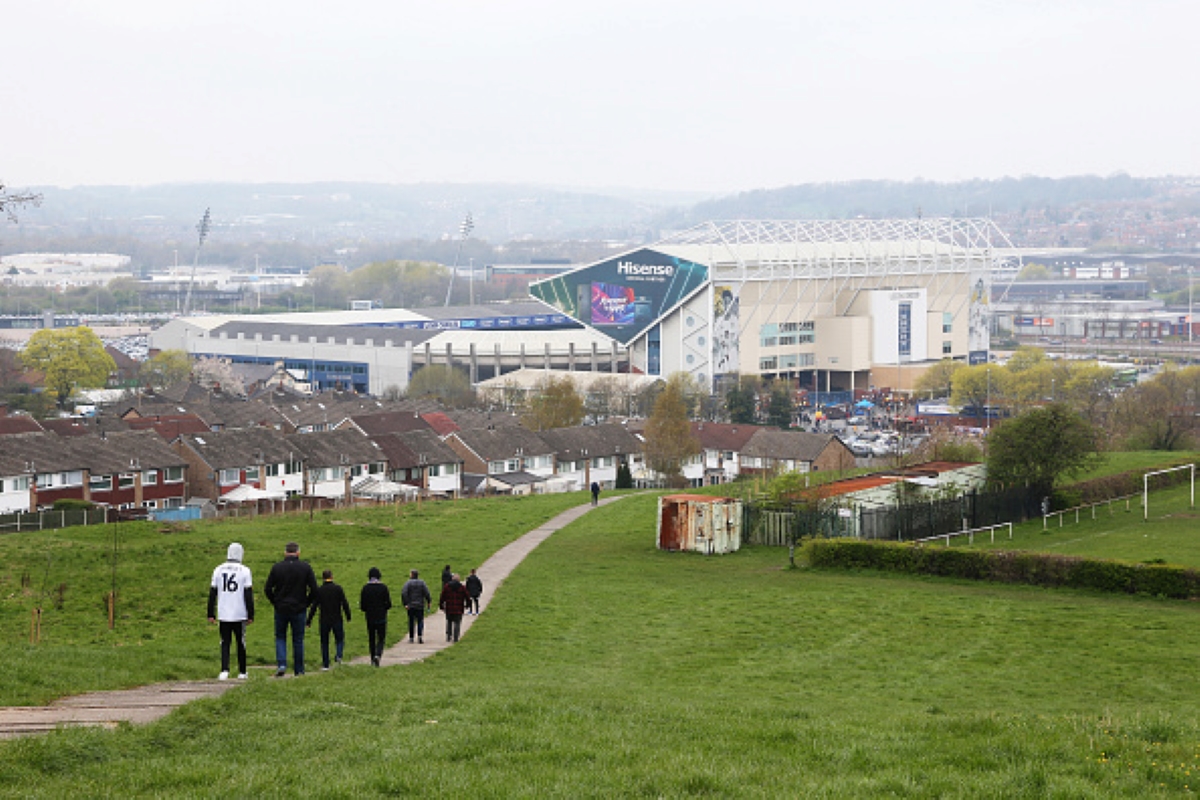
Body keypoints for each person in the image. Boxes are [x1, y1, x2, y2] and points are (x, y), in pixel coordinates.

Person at [264, 541, 319, 677]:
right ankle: (299, 669)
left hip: (281, 607)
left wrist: (275, 601)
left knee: (280, 637)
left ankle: (282, 664)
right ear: (298, 553)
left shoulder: (277, 568)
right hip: (299, 607)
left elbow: (267, 588)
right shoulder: (305, 567)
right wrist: (306, 603)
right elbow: (314, 589)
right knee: (298, 639)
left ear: (285, 553)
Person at [208, 542, 254, 681]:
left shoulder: (218, 569)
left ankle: (224, 670)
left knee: (224, 642)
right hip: (239, 613)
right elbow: (248, 594)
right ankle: (242, 671)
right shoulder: (245, 570)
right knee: (241, 642)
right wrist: (251, 614)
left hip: (224, 612)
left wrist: (210, 612)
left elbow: (212, 593)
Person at [307, 569, 351, 670]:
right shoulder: (338, 589)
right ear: (332, 576)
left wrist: (309, 620)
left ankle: (326, 664)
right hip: (337, 618)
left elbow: (314, 606)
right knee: (339, 639)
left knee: (324, 642)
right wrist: (348, 615)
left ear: (323, 578)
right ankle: (339, 655)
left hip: (324, 619)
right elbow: (344, 603)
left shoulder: (319, 590)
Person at [360, 567, 392, 667]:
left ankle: (372, 659)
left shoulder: (365, 588)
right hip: (381, 616)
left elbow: (362, 606)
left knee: (371, 638)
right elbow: (389, 604)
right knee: (381, 638)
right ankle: (378, 654)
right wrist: (384, 608)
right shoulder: (383, 588)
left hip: (370, 617)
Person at [400, 569, 432, 644]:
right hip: (420, 605)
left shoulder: (408, 583)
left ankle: (411, 637)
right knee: (420, 621)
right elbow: (426, 593)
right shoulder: (422, 583)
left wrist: (405, 603)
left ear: (412, 575)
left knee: (411, 621)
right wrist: (429, 601)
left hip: (411, 606)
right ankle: (420, 636)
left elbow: (404, 593)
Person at [439, 573, 470, 643]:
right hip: (459, 608)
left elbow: (442, 596)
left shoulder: (447, 587)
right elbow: (467, 597)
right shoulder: (462, 587)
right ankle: (456, 636)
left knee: (449, 621)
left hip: (449, 607)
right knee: (457, 622)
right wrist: (468, 605)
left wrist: (441, 605)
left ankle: (448, 635)